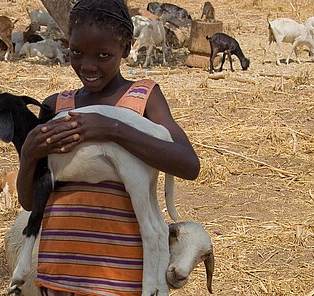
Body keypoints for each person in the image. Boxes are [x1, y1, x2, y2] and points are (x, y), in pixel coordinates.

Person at [16, 0, 200, 295]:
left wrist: (112, 129)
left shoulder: (143, 98)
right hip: (59, 275)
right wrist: (28, 155)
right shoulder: (56, 106)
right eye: (77, 52)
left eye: (103, 55)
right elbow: (29, 201)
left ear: (126, 49)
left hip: (123, 278)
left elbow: (188, 164)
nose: (88, 66)